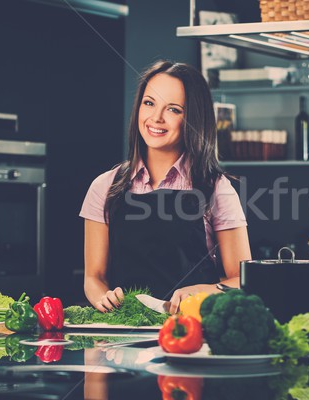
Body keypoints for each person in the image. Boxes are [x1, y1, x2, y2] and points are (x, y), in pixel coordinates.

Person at [79, 60, 250, 314]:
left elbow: (242, 280)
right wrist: (103, 298)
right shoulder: (104, 186)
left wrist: (204, 290)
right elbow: (94, 277)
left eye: (173, 109)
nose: (155, 118)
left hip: (192, 334)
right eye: (149, 103)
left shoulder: (216, 188)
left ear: (193, 119)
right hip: (121, 339)